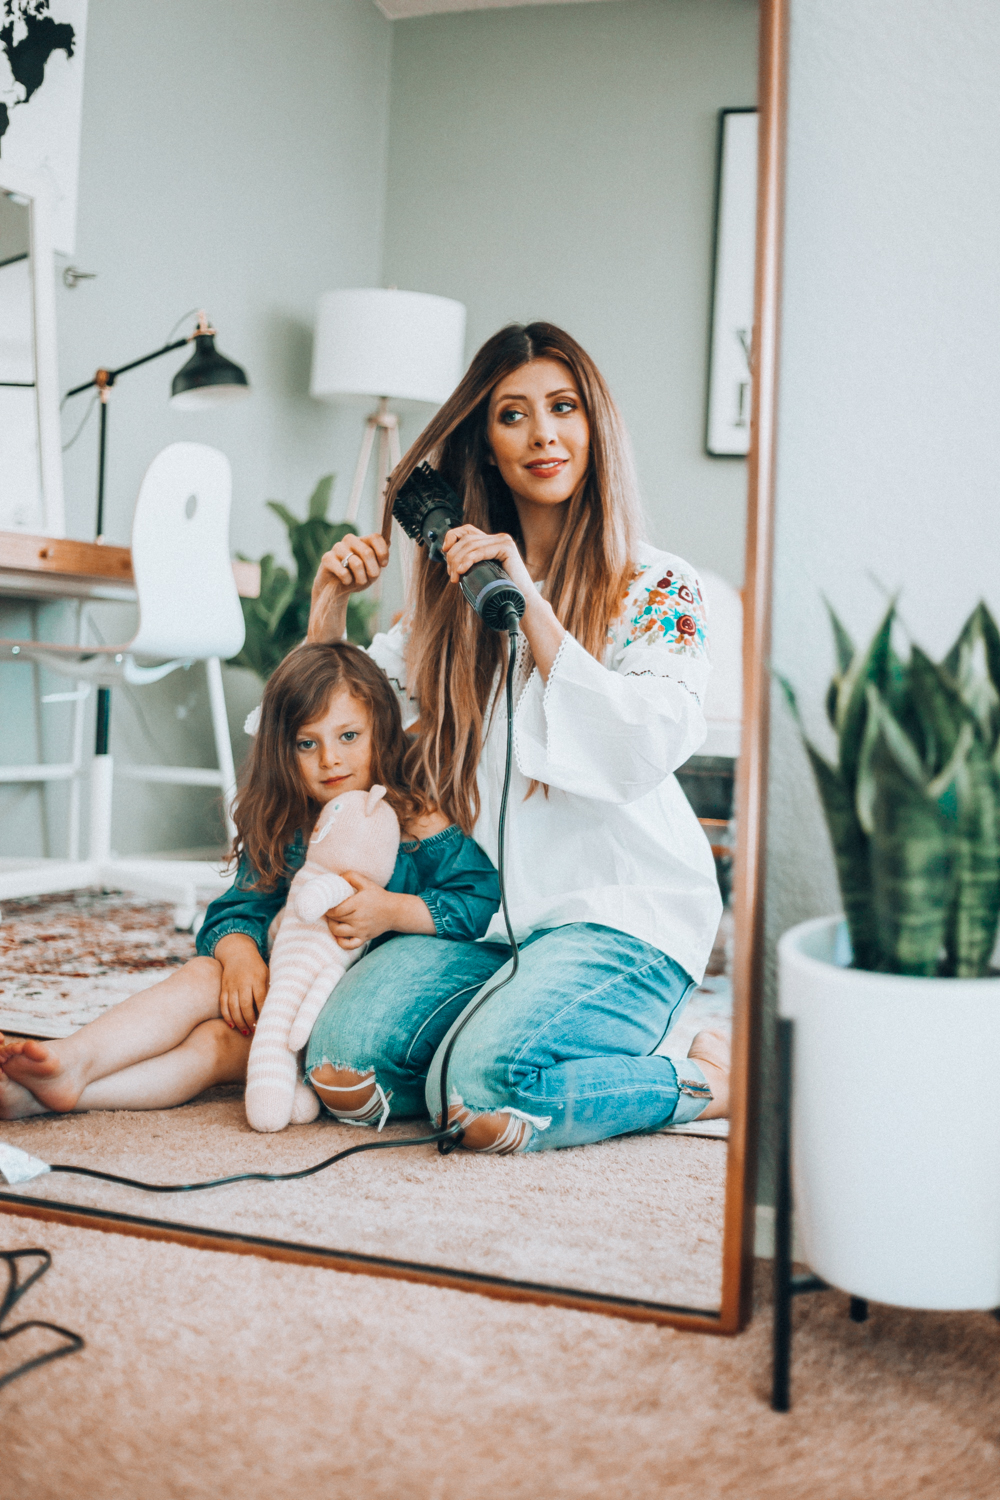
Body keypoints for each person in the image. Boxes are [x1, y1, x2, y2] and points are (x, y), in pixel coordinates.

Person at [302, 321, 729, 1154]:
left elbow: (647, 742)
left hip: (623, 914)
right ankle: (524, 1030)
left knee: (484, 1090)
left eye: (563, 408)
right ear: (486, 447)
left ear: (593, 427)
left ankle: (704, 1080)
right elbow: (346, 738)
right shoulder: (446, 607)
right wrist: (328, 611)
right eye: (513, 415)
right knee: (344, 1065)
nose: (543, 434)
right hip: (495, 921)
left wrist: (527, 603)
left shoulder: (657, 585)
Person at [0, 644, 499, 1120]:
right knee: (204, 980)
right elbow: (237, 908)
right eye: (308, 743)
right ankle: (69, 1065)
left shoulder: (417, 821)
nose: (330, 759)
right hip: (276, 993)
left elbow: (481, 902)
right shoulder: (289, 822)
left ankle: (59, 1093)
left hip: (335, 1016)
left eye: (349, 737)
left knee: (214, 1046)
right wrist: (238, 954)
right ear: (284, 751)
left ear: (381, 734)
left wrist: (393, 910)